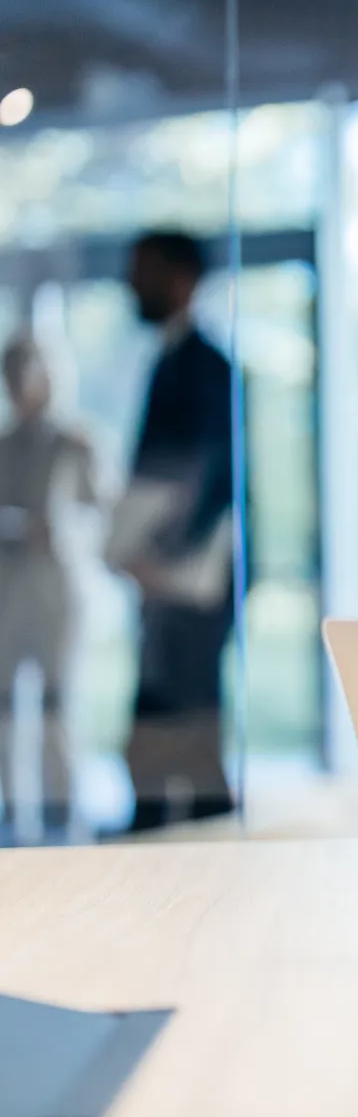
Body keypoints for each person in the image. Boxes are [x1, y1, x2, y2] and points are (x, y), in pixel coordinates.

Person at [113, 231, 235, 833]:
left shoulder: (205, 366)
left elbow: (208, 476)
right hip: (165, 581)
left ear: (180, 278)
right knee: (165, 726)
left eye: (146, 271)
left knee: (185, 730)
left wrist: (156, 551)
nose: (132, 284)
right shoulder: (169, 361)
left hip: (189, 578)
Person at [0, 336, 97, 835]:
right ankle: (12, 811)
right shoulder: (3, 446)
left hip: (57, 589)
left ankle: (63, 811)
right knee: (6, 708)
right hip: (9, 592)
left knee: (57, 703)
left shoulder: (73, 442)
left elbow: (100, 509)